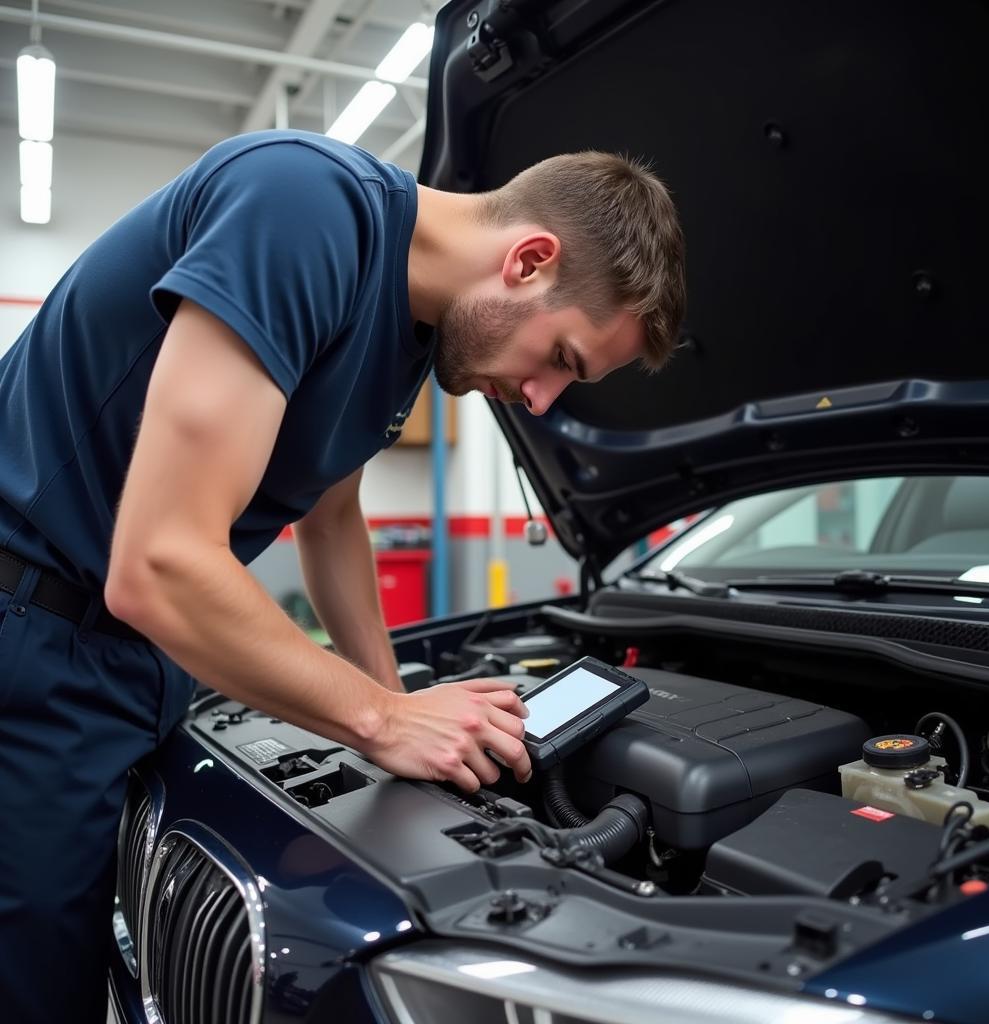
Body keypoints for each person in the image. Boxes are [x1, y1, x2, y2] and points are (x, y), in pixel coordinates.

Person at [0, 128, 686, 1022]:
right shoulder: (302, 209)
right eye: (563, 360)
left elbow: (330, 521)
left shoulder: (409, 332)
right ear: (527, 260)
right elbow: (160, 562)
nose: (544, 400)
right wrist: (382, 719)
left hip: (138, 664)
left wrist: (406, 718)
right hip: (33, 640)